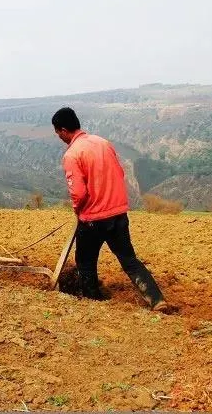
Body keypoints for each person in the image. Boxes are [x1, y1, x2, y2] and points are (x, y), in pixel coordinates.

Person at [52, 106, 169, 312]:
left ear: (62, 130)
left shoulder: (72, 154)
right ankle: (156, 299)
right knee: (129, 260)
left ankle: (93, 301)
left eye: (57, 132)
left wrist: (77, 209)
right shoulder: (103, 143)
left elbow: (78, 193)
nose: (58, 136)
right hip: (118, 214)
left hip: (92, 219)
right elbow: (120, 173)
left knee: (85, 263)